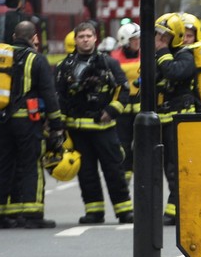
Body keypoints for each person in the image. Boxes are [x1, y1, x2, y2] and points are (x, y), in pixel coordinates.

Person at [0, 20, 64, 229]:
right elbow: (49, 93)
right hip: (27, 122)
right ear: (34, 38)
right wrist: (56, 123)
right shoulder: (36, 60)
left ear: (13, 37)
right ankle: (32, 214)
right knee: (31, 165)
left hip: (1, 121)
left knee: (2, 165)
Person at [55, 20, 133, 224]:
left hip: (104, 128)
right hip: (77, 130)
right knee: (86, 173)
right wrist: (60, 126)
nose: (85, 40)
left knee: (114, 170)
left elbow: (123, 90)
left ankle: (124, 210)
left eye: (88, 36)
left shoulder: (109, 63)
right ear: (76, 40)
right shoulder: (65, 67)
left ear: (95, 38)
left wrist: (111, 111)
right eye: (81, 37)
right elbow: (59, 96)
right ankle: (94, 211)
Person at [154, 12, 196, 225]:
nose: (159, 40)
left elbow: (174, 72)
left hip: (181, 121)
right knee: (165, 167)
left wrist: (161, 51)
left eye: (164, 36)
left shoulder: (185, 55)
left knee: (176, 166)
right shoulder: (159, 57)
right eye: (158, 35)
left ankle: (175, 210)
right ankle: (173, 207)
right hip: (163, 120)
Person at [110, 21, 141, 179]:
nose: (138, 42)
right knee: (123, 144)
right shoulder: (114, 58)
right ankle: (125, 174)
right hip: (122, 108)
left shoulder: (146, 55)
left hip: (140, 107)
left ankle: (139, 172)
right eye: (135, 39)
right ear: (125, 40)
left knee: (141, 144)